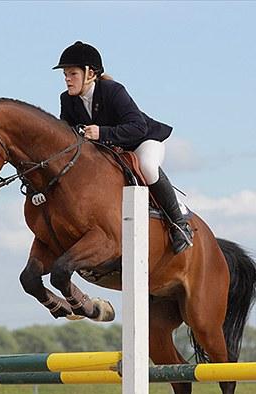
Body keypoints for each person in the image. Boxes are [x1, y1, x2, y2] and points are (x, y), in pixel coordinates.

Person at [53, 41, 194, 254]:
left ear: (90, 73)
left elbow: (138, 127)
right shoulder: (67, 100)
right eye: (65, 74)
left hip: (141, 141)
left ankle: (179, 224)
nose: (67, 79)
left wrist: (102, 133)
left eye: (72, 74)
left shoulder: (112, 91)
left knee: (146, 166)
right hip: (110, 152)